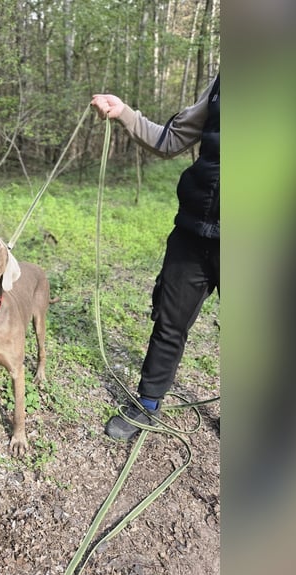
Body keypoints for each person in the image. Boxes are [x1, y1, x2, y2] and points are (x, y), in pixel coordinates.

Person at [90, 73, 220, 441]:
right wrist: (124, 112)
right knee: (168, 320)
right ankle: (146, 404)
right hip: (193, 231)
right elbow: (171, 139)